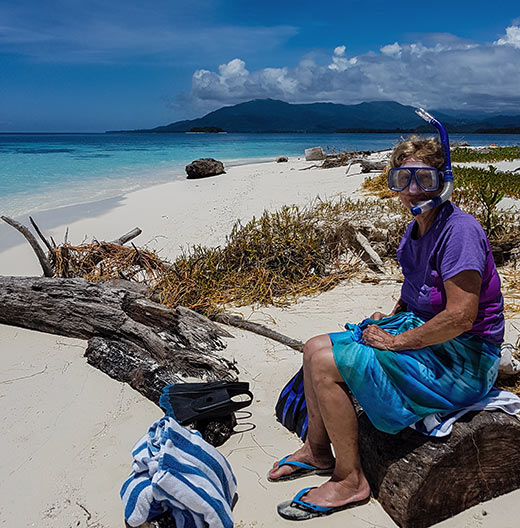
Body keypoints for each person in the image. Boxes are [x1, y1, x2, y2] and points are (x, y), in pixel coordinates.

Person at [269, 135, 505, 521]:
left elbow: (462, 316)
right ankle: (316, 449)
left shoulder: (458, 231)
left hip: (465, 358)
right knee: (313, 347)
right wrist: (394, 316)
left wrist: (396, 342)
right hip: (429, 337)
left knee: (328, 366)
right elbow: (417, 290)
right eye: (402, 179)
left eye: (424, 179)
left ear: (443, 179)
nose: (413, 191)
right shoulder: (415, 231)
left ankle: (350, 480)